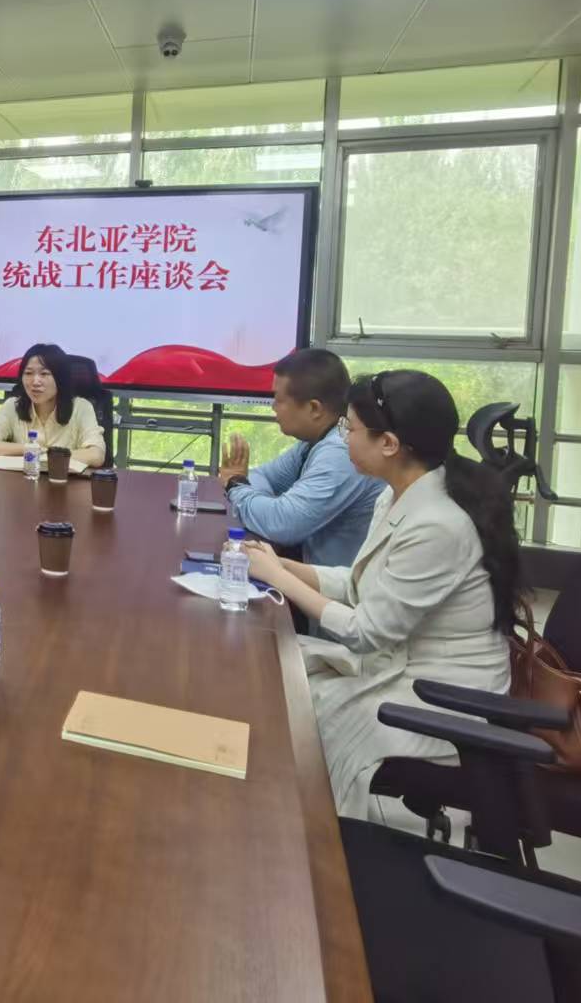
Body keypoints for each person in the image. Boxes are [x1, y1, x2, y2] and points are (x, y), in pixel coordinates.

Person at [245, 370, 522, 824]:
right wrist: (285, 566)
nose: (344, 439)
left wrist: (278, 578)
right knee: (272, 671)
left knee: (294, 714)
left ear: (389, 444)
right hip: (400, 663)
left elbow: (368, 631)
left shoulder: (439, 523)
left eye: (350, 428)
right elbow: (361, 585)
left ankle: (305, 839)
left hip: (443, 696)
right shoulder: (399, 495)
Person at [217, 348, 384, 567]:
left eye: (278, 399)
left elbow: (282, 525)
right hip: (308, 570)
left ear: (314, 408)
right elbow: (261, 476)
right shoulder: (314, 441)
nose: (273, 407)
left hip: (332, 583)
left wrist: (236, 485)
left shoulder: (340, 451)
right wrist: (260, 501)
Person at [0, 342, 106, 469]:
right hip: (22, 482)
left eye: (44, 374)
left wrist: (46, 456)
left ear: (60, 379)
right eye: (28, 373)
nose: (35, 382)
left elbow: (96, 455)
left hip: (64, 482)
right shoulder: (13, 406)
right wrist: (32, 449)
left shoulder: (81, 408)